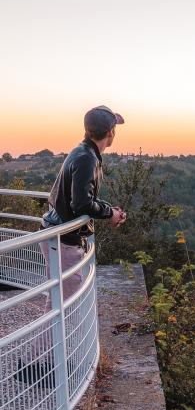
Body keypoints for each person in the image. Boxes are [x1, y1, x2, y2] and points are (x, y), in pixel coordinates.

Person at [41, 105, 127, 301]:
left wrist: (109, 210)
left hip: (57, 233)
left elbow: (83, 197)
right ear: (110, 132)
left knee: (60, 300)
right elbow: (81, 204)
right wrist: (109, 213)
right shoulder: (87, 158)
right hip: (62, 239)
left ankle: (54, 333)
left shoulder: (84, 152)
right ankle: (51, 334)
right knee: (63, 303)